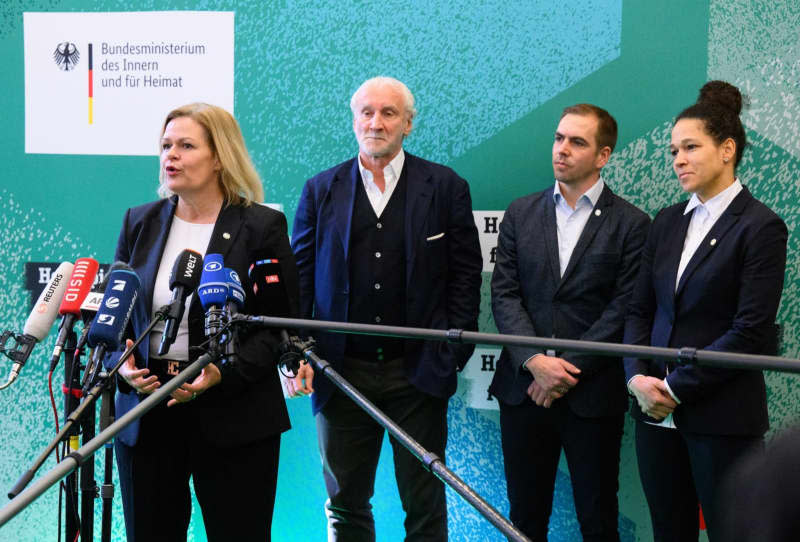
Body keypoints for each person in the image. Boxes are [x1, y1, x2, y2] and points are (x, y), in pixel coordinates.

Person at [109, 103, 313, 542]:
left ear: (219, 156)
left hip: (234, 412)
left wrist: (224, 370)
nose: (171, 156)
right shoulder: (139, 221)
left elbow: (278, 325)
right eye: (166, 146)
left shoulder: (262, 225)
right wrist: (122, 361)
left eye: (186, 146)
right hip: (148, 410)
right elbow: (116, 312)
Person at [291, 76, 482, 541]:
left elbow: (464, 278)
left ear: (408, 124)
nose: (376, 122)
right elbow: (299, 280)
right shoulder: (321, 190)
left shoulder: (445, 187)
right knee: (345, 504)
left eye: (389, 113)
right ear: (354, 120)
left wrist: (448, 355)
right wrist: (299, 353)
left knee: (425, 502)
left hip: (417, 375)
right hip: (339, 373)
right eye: (367, 112)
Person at [624, 81, 787, 542]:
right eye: (674, 149)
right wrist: (637, 378)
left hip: (721, 418)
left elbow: (750, 330)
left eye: (691, 147)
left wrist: (674, 387)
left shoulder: (761, 226)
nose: (678, 159)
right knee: (668, 532)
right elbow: (639, 312)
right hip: (653, 414)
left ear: (727, 149)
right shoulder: (665, 221)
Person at [490, 103, 650, 541]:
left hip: (592, 395)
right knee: (524, 518)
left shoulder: (633, 224)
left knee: (597, 519)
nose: (561, 149)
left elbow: (625, 307)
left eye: (577, 142)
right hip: (523, 390)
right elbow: (504, 295)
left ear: (603, 155)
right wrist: (535, 360)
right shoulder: (520, 212)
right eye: (559, 138)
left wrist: (563, 368)